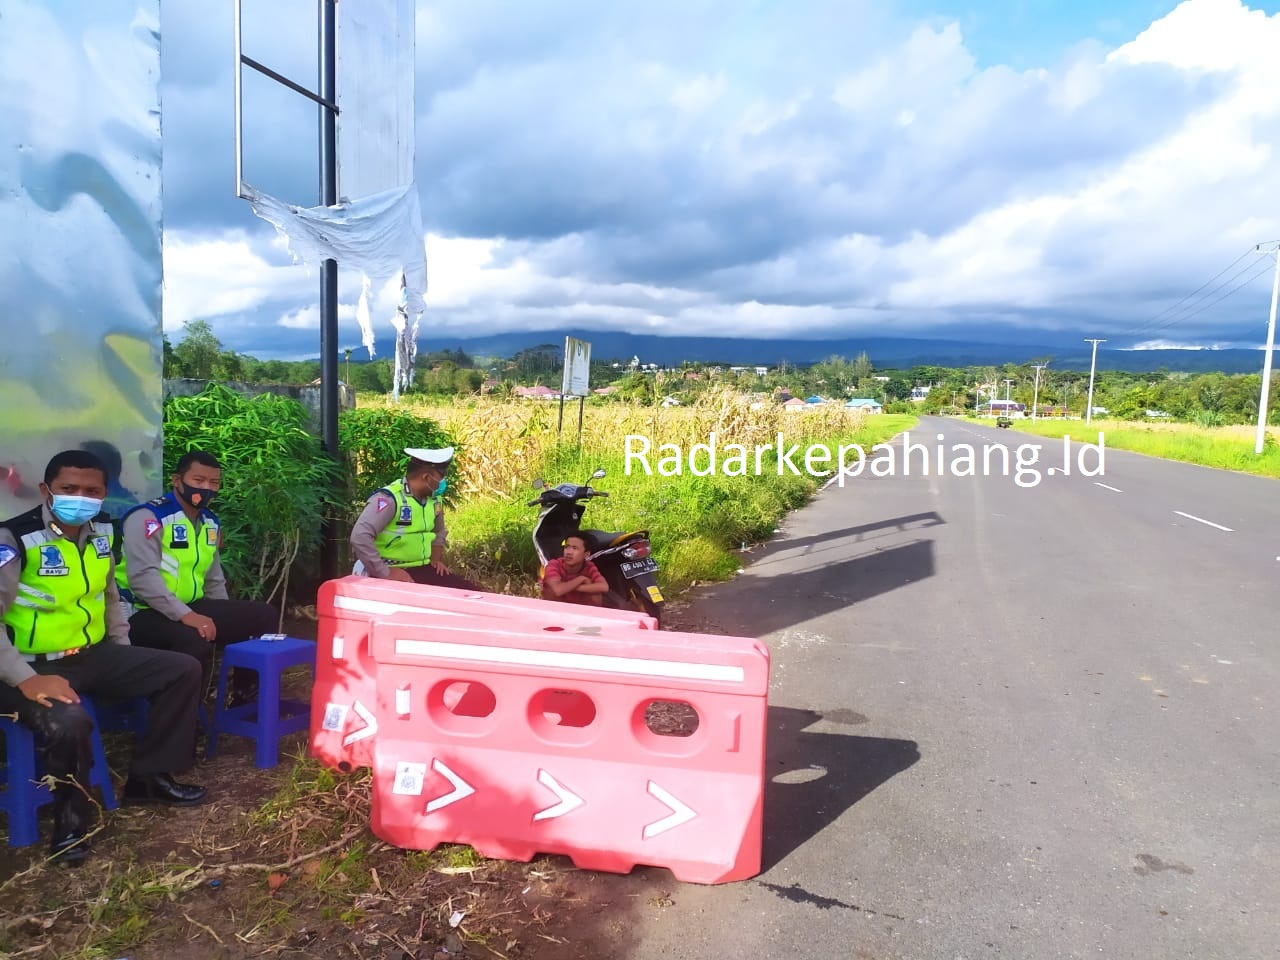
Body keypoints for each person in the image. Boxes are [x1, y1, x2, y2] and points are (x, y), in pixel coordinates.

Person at [0, 450, 207, 866]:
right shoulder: (14, 539)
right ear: (46, 491)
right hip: (28, 665)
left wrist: (125, 655)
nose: (81, 497)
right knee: (70, 720)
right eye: (69, 489)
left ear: (103, 494)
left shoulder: (101, 535)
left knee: (181, 669)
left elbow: (110, 598)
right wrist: (24, 677)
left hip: (92, 654)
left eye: (91, 491)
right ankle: (70, 825)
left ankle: (149, 777)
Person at [115, 450, 277, 700]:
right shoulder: (149, 518)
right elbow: (142, 579)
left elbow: (213, 578)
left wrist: (225, 615)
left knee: (261, 614)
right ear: (177, 481)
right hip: (142, 612)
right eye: (199, 480)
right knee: (194, 637)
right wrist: (188, 616)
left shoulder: (209, 522)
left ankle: (246, 696)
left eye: (214, 483)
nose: (207, 488)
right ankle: (183, 714)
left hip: (191, 606)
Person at [349, 446, 479, 589]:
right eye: (441, 477)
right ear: (426, 477)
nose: (443, 482)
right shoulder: (391, 499)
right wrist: (385, 572)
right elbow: (360, 535)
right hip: (388, 570)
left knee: (472, 593)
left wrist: (435, 561)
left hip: (421, 567)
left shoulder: (434, 500)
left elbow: (439, 531)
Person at [541, 534, 609, 606]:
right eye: (567, 547)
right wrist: (581, 579)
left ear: (586, 555)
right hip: (556, 609)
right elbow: (558, 590)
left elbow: (604, 587)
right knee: (550, 589)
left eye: (574, 548)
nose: (569, 552)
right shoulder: (554, 564)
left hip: (580, 609)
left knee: (595, 592)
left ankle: (591, 615)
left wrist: (572, 587)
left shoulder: (589, 566)